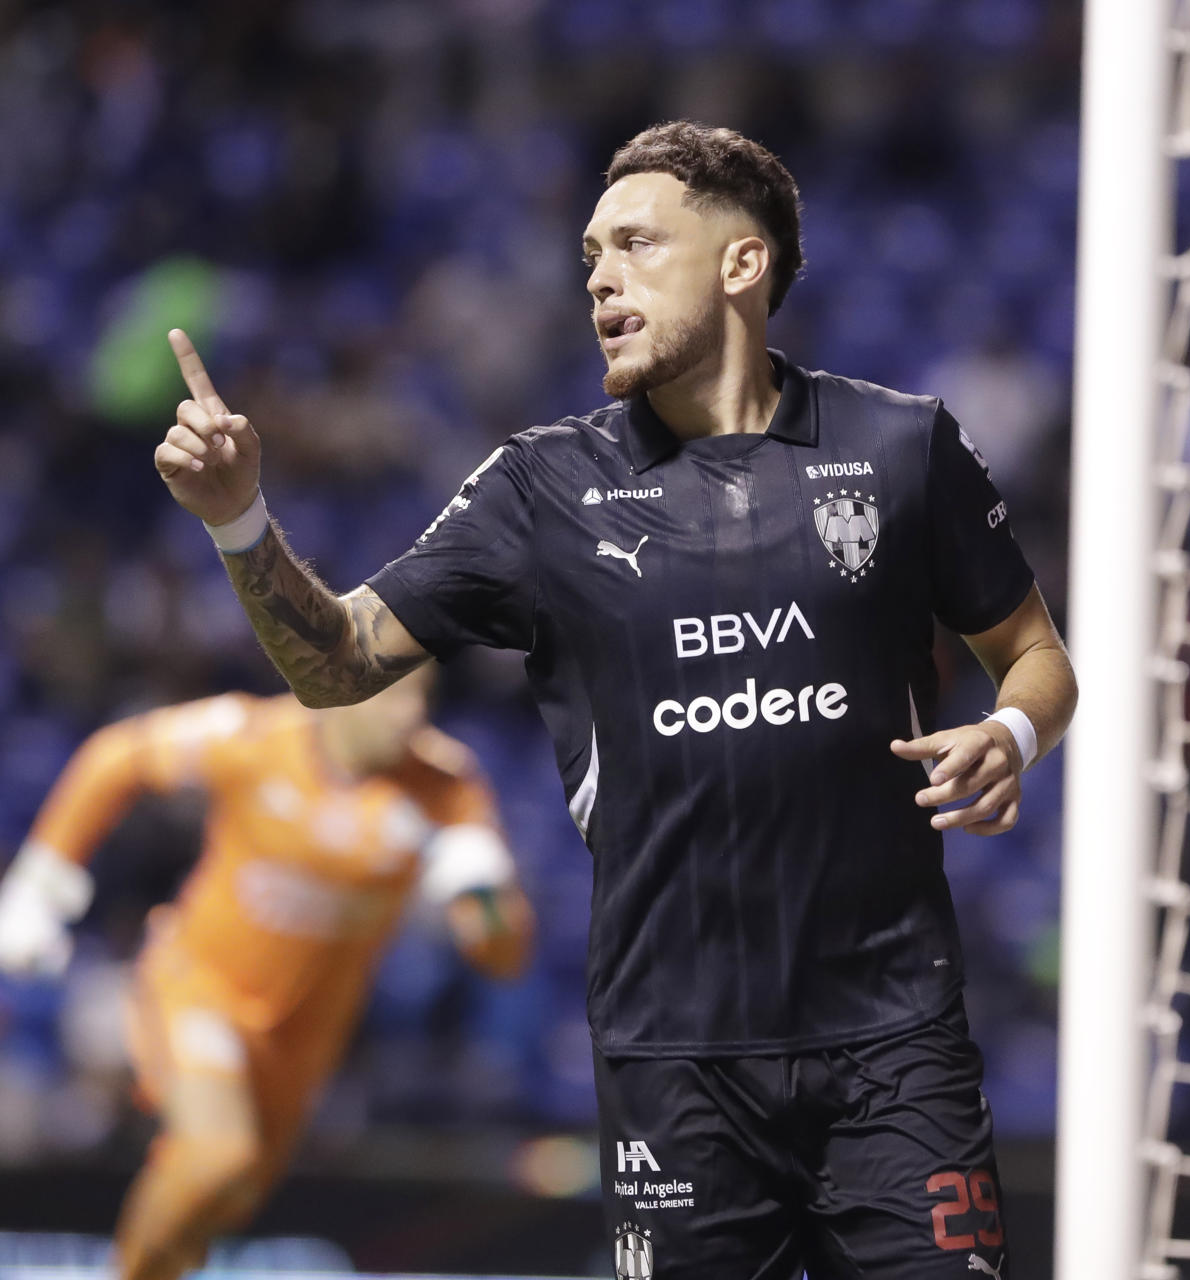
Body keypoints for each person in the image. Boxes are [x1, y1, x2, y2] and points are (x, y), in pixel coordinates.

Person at [153, 120, 1076, 1279]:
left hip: (895, 1043)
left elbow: (1037, 651)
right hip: (673, 1061)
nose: (598, 276)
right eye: (590, 253)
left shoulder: (903, 446)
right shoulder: (542, 486)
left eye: (636, 244)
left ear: (743, 265)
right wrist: (239, 517)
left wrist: (1012, 727)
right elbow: (334, 661)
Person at [0, 671, 533, 1280]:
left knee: (218, 1206)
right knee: (216, 1155)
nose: (409, 714)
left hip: (301, 1042)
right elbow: (115, 757)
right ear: (336, 689)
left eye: (422, 696)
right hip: (199, 988)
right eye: (392, 694)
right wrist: (39, 885)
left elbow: (502, 957)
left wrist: (485, 899)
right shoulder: (254, 735)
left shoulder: (445, 784)